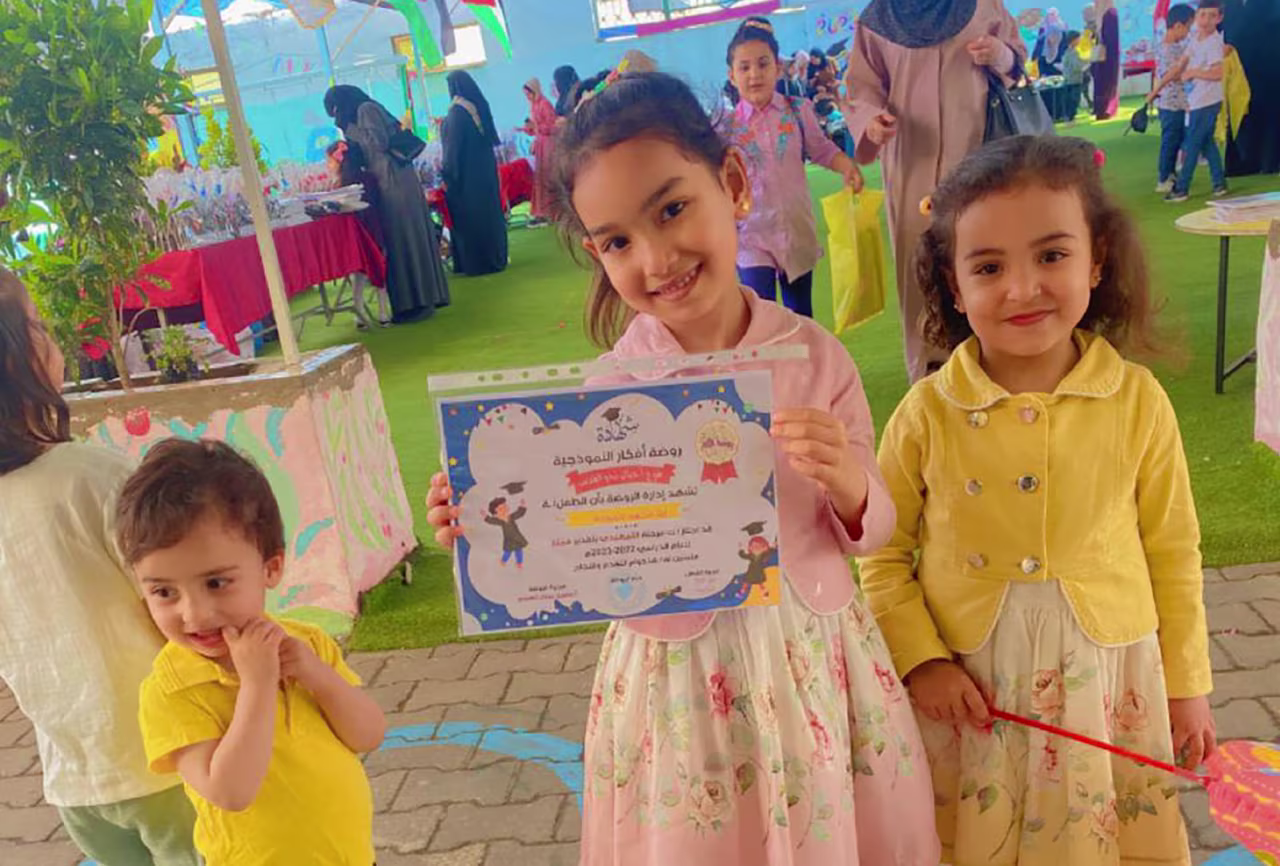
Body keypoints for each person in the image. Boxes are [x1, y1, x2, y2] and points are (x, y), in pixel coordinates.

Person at [428, 71, 939, 866]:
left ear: (732, 184)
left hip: (807, 652)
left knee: (824, 824)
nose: (657, 257)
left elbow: (875, 526)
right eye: (619, 242)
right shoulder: (605, 395)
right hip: (680, 675)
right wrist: (480, 518)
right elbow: (562, 547)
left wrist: (846, 482)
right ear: (597, 253)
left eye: (672, 209)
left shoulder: (812, 354)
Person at [859, 135, 1215, 866]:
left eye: (1051, 255)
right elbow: (882, 553)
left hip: (1110, 685)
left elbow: (1174, 552)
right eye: (989, 267)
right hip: (973, 693)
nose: (1022, 289)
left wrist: (1188, 689)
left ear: (1097, 258)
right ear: (954, 287)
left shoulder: (1137, 401)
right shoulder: (927, 413)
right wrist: (922, 661)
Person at [0, 268, 200, 866]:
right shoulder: (93, 477)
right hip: (170, 760)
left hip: (74, 779)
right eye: (37, 324)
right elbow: (179, 606)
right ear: (16, 361)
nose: (50, 334)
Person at [121, 438, 387, 866]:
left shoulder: (307, 643)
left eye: (216, 582)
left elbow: (369, 734)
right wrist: (258, 683)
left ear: (271, 568)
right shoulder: (171, 690)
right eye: (164, 592)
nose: (195, 613)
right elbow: (230, 792)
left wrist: (316, 674)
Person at [845, 0, 1026, 382]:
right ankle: (929, 374)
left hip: (978, 158)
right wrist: (870, 121)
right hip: (911, 163)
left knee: (984, 257)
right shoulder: (878, 20)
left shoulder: (983, 5)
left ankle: (994, 357)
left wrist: (1001, 55)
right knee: (918, 267)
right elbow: (861, 89)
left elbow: (1017, 62)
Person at [723, 17, 863, 318]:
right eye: (744, 68)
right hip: (751, 236)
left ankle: (806, 366)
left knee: (801, 316)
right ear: (732, 77)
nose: (754, 74)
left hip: (795, 232)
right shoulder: (725, 128)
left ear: (777, 66)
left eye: (763, 64)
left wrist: (847, 167)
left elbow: (822, 149)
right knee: (761, 318)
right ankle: (771, 367)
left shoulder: (799, 111)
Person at [323, 84, 450, 323]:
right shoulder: (365, 109)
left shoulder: (366, 110)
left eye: (335, 111)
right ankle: (424, 297)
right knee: (408, 238)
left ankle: (417, 302)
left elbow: (378, 143)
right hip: (391, 179)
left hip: (394, 181)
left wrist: (350, 129)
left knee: (404, 240)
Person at [442, 71, 509, 276]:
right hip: (485, 172)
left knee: (471, 218)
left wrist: (447, 175)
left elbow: (453, 149)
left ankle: (476, 263)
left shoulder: (456, 113)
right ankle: (496, 257)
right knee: (489, 215)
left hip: (466, 178)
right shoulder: (477, 107)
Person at [1168, 0, 1229, 202]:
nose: (1206, 20)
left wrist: (1193, 72)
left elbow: (1218, 72)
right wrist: (1176, 71)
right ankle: (1219, 183)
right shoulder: (1196, 38)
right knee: (1206, 143)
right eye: (1203, 15)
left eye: (1212, 16)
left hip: (1207, 101)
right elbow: (1185, 57)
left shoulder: (1214, 42)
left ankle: (1182, 187)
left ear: (1219, 18)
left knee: (1192, 144)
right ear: (1197, 17)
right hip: (1197, 99)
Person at [1222, 0, 1280, 176]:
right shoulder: (1231, 5)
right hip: (1239, 63)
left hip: (1270, 60)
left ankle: (1270, 161)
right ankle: (1243, 161)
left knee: (1271, 109)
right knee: (1241, 110)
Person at [1147, 4, 1195, 194]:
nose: (1188, 32)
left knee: (1177, 139)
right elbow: (1171, 74)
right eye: (1188, 27)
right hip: (1170, 103)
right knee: (1170, 141)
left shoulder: (1171, 46)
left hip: (1176, 102)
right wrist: (1187, 70)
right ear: (1177, 26)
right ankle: (1163, 177)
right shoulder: (1169, 49)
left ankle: (1170, 173)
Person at [523, 78, 558, 224]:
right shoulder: (535, 106)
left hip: (549, 144)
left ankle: (554, 212)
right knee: (541, 178)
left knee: (549, 177)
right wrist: (529, 129)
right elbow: (537, 128)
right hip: (541, 144)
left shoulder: (545, 104)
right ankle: (542, 212)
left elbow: (552, 126)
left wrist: (537, 128)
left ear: (535, 91)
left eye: (528, 94)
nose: (527, 97)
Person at [1092, 0, 1121, 119]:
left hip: (1103, 56)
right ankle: (1105, 110)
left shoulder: (1106, 15)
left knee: (1102, 82)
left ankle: (1102, 109)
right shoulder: (1109, 14)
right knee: (1108, 81)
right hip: (1108, 56)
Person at [1060, 30, 1088, 121]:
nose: (1079, 40)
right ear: (1073, 40)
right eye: (1078, 38)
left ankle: (1069, 116)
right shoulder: (1073, 52)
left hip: (1069, 79)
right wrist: (1087, 63)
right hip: (1074, 79)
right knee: (1074, 99)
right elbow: (1076, 66)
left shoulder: (1067, 51)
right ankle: (1070, 116)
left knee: (1070, 98)